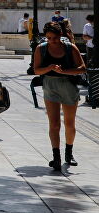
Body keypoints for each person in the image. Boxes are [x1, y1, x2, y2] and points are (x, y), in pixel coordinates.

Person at [33, 21, 86, 171]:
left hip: (68, 86)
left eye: (54, 38)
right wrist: (49, 68)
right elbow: (36, 70)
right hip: (50, 86)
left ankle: (69, 153)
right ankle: (56, 157)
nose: (51, 41)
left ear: (60, 35)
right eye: (48, 38)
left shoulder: (70, 48)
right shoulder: (41, 49)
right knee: (54, 123)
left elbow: (82, 68)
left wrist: (65, 71)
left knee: (69, 123)